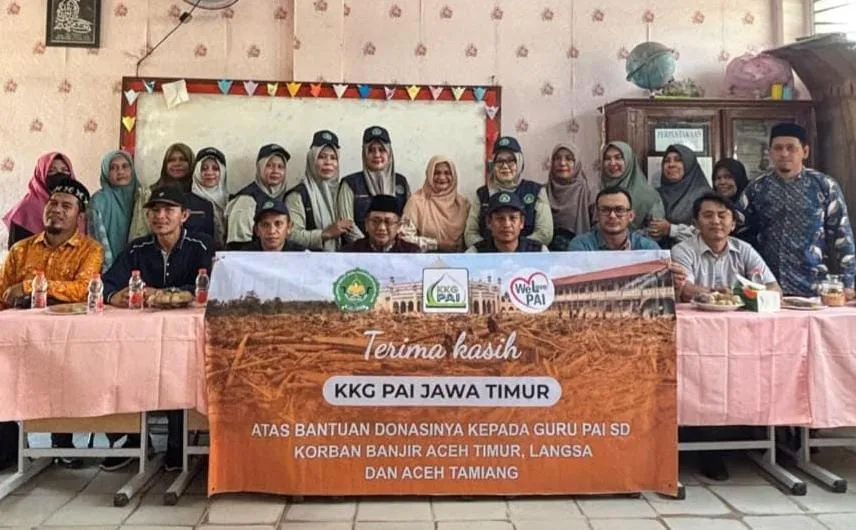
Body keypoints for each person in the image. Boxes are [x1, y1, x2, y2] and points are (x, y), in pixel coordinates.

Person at [102, 186, 213, 471]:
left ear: (184, 215)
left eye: (168, 210)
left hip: (185, 338)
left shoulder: (201, 245)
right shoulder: (136, 248)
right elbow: (107, 283)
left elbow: (210, 284)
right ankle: (134, 439)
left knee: (178, 372)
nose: (160, 216)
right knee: (118, 366)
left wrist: (165, 293)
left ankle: (177, 444)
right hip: (141, 339)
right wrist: (114, 296)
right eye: (154, 210)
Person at [0, 178, 103, 470]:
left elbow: (83, 289)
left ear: (79, 216)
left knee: (66, 377)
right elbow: (3, 292)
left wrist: (30, 286)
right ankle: (10, 447)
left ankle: (63, 442)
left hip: (67, 341)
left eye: (66, 206)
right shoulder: (21, 250)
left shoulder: (90, 250)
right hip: (20, 339)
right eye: (53, 203)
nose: (56, 210)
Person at [739, 123, 855, 297]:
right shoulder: (756, 188)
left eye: (791, 148)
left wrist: (848, 283)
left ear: (805, 151)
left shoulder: (824, 186)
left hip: (815, 287)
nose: (784, 153)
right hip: (768, 287)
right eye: (778, 148)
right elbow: (737, 229)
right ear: (770, 152)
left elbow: (842, 236)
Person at [672, 194, 780, 302]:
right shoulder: (682, 250)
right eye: (708, 216)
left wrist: (732, 295)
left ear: (733, 224)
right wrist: (727, 295)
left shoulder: (745, 250)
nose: (716, 221)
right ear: (696, 224)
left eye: (722, 216)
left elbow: (774, 288)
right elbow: (686, 291)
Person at [464, 136, 552, 248]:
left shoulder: (536, 191)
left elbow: (545, 233)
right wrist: (491, 250)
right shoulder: (482, 194)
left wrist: (516, 248)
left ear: (519, 162)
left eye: (510, 160)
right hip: (487, 255)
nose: (505, 166)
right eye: (500, 161)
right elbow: (470, 233)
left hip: (528, 254)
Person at [337, 126, 411, 244]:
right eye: (371, 150)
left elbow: (407, 221)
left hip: (396, 250)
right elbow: (347, 225)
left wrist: (392, 246)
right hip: (359, 251)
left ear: (389, 153)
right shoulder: (350, 183)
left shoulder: (401, 182)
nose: (377, 155)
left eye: (382, 150)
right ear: (364, 153)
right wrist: (369, 247)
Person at [130, 143, 216, 243]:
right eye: (171, 160)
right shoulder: (150, 194)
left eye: (182, 159)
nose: (177, 163)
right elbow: (139, 234)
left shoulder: (201, 195)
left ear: (191, 163)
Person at [2, 151, 86, 248]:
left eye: (65, 170)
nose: (59, 174)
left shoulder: (79, 206)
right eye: (51, 170)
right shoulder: (24, 211)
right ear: (40, 174)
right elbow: (16, 251)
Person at [285, 131, 351, 251]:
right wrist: (325, 234)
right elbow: (291, 235)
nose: (328, 162)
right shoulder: (297, 195)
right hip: (309, 260)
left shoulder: (345, 190)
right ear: (312, 159)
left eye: (333, 158)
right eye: (321, 157)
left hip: (345, 260)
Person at [88, 150, 146, 270]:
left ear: (132, 170)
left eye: (125, 166)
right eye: (113, 168)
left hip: (140, 267)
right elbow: (96, 240)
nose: (120, 172)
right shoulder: (99, 201)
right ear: (106, 173)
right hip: (108, 268)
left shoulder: (142, 197)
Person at [226, 143, 290, 249]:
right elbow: (238, 246)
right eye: (269, 165)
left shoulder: (284, 196)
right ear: (260, 167)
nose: (275, 171)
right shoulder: (246, 200)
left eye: (280, 167)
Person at [400, 155, 469, 252]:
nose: (442, 177)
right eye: (436, 173)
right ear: (429, 174)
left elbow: (471, 235)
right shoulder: (416, 202)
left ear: (454, 175)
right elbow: (404, 237)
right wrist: (436, 244)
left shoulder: (463, 204)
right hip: (425, 259)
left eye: (447, 173)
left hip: (460, 259)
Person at [650, 144, 712, 247]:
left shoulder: (705, 196)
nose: (671, 164)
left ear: (689, 165)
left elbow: (710, 233)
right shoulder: (655, 194)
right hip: (658, 253)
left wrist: (671, 229)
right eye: (667, 161)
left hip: (694, 254)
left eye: (678, 160)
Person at [567, 187, 661, 251]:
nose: (612, 215)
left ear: (631, 216)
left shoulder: (647, 247)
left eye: (619, 210)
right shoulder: (581, 246)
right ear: (596, 215)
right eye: (605, 210)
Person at [600, 141, 664, 231]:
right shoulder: (597, 190)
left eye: (618, 158)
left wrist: (627, 237)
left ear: (629, 161)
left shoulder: (649, 195)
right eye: (607, 158)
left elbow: (656, 231)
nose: (612, 163)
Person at [546, 143, 593, 251]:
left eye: (568, 159)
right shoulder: (543, 192)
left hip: (581, 251)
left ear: (577, 163)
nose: (562, 163)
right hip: (548, 254)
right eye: (557, 158)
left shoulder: (588, 192)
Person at [466, 191, 547, 253]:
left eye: (513, 218)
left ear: (521, 222)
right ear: (489, 222)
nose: (507, 224)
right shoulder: (476, 253)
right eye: (500, 218)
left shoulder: (538, 252)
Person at [341, 195, 420, 253]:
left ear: (399, 226)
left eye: (388, 222)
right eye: (375, 221)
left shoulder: (412, 252)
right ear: (366, 224)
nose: (382, 228)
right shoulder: (349, 252)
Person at [191, 147, 229, 249]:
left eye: (215, 168)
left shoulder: (232, 201)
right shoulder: (186, 202)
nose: (209, 172)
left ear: (222, 172)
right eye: (204, 168)